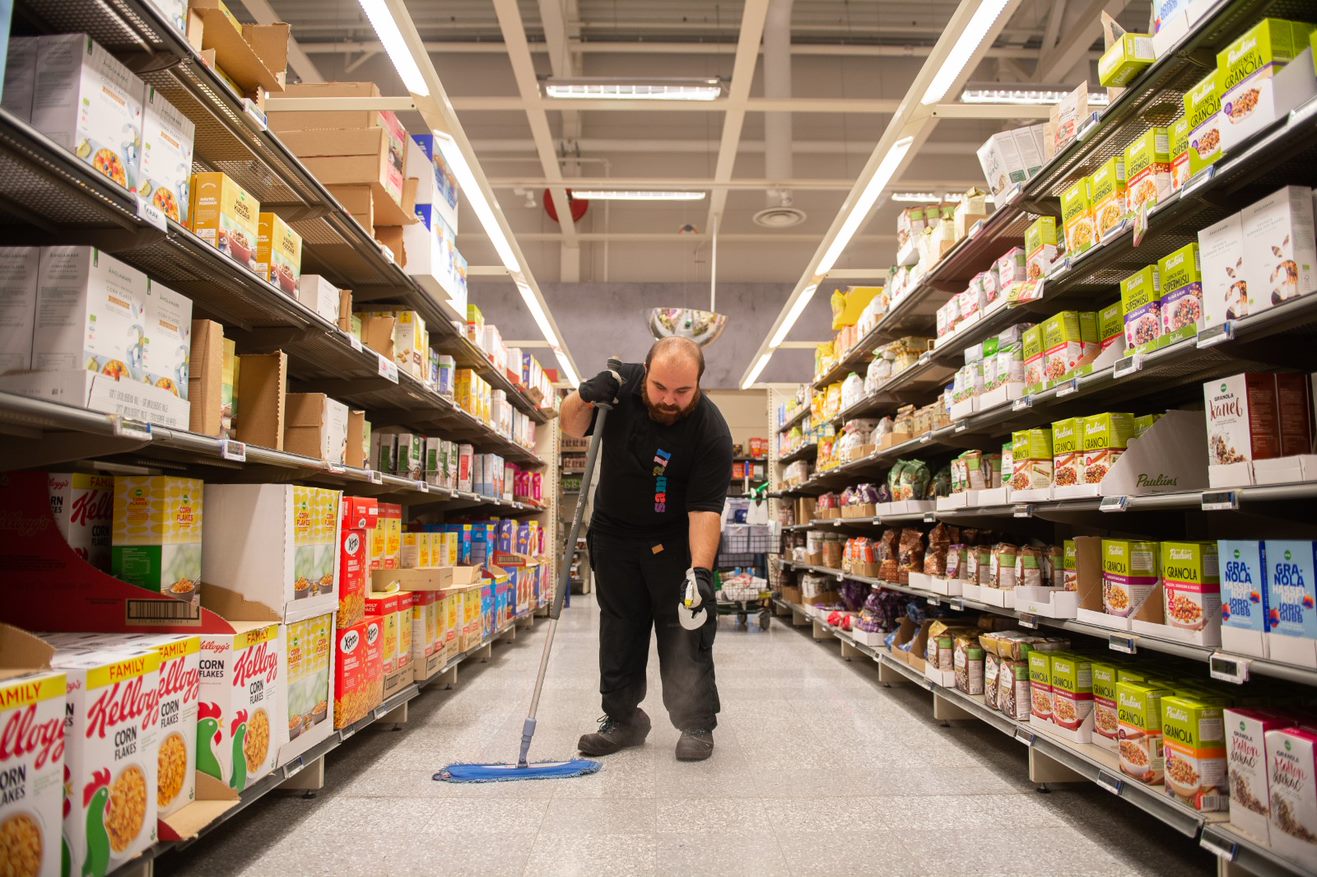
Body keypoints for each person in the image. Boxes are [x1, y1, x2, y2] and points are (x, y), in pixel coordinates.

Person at [560, 337, 733, 761]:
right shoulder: (621, 385)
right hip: (613, 534)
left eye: (682, 391)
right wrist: (583, 395)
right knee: (619, 628)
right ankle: (623, 719)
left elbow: (705, 510)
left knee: (684, 628)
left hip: (672, 541)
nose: (668, 400)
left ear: (699, 384)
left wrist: (701, 572)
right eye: (659, 388)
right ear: (646, 371)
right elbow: (569, 425)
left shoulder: (711, 431)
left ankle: (695, 722)